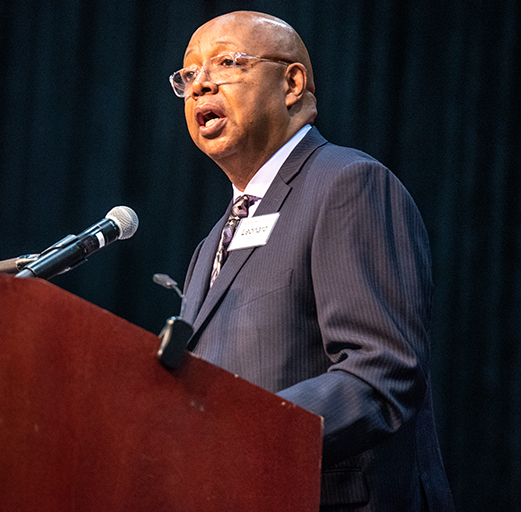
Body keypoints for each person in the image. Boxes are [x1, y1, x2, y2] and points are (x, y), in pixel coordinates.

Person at [173, 11, 454, 511]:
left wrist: (234, 435)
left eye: (225, 63)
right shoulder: (211, 243)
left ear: (292, 83)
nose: (201, 86)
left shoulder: (347, 183)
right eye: (189, 74)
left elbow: (381, 371)